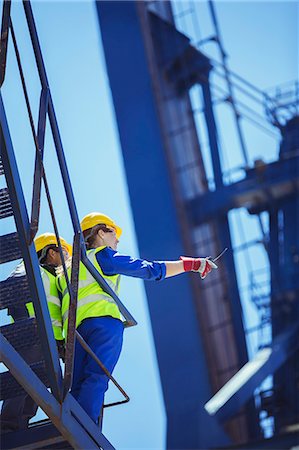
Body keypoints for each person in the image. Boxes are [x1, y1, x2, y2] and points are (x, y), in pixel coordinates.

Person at [56, 212, 217, 426]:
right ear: (102, 233)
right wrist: (191, 265)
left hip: (74, 334)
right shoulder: (103, 256)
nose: (117, 241)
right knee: (96, 378)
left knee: (75, 385)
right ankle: (84, 431)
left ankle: (71, 427)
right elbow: (150, 270)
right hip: (103, 325)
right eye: (114, 235)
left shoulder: (64, 270)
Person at [0, 233, 72, 433]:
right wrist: (24, 324)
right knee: (22, 382)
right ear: (51, 253)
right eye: (65, 251)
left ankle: (19, 427)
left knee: (35, 391)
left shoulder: (53, 280)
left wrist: (60, 345)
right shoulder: (33, 268)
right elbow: (11, 290)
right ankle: (7, 426)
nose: (68, 257)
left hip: (48, 343)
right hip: (32, 335)